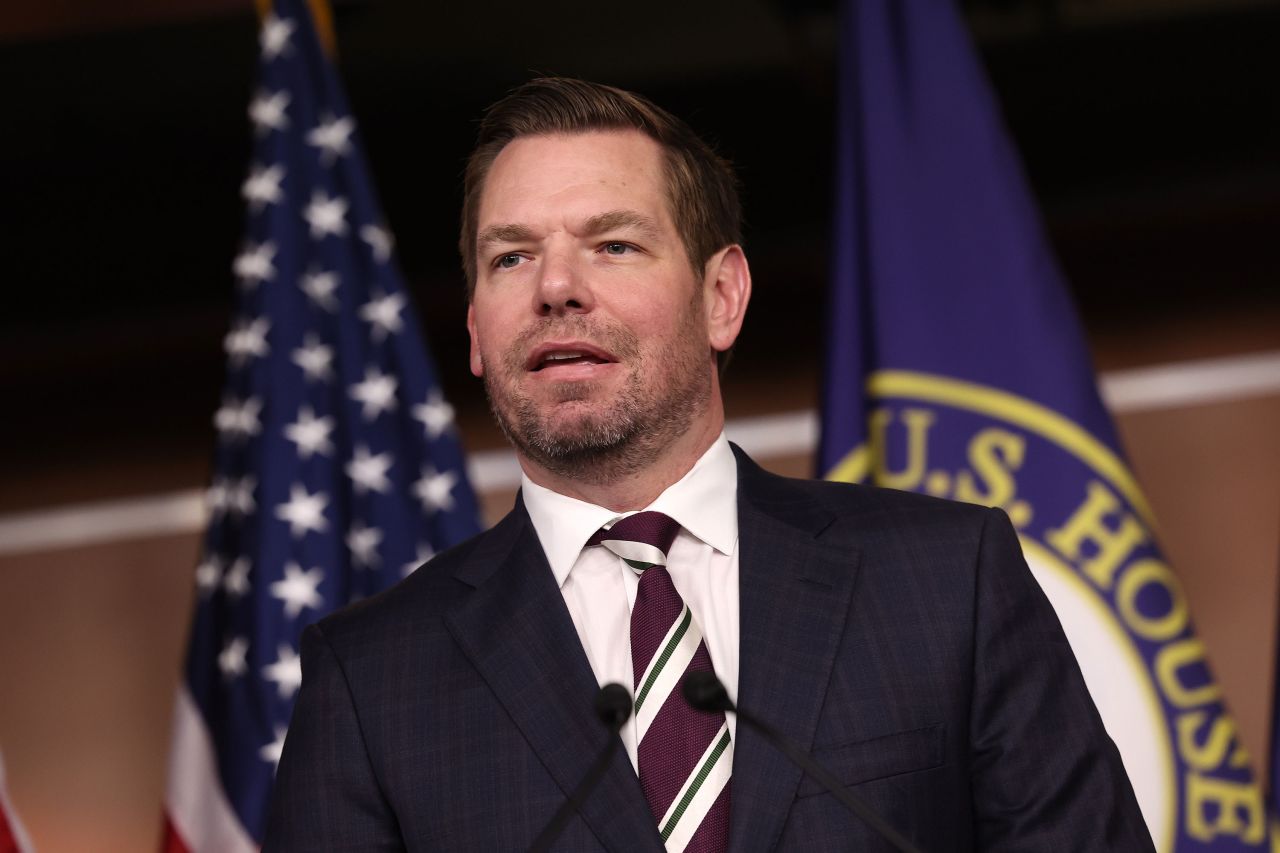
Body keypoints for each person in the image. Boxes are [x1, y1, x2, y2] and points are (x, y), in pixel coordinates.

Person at [264, 77, 1153, 852]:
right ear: (474, 329)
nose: (556, 286)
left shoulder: (944, 580)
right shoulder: (372, 682)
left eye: (613, 244)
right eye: (511, 256)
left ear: (721, 296)